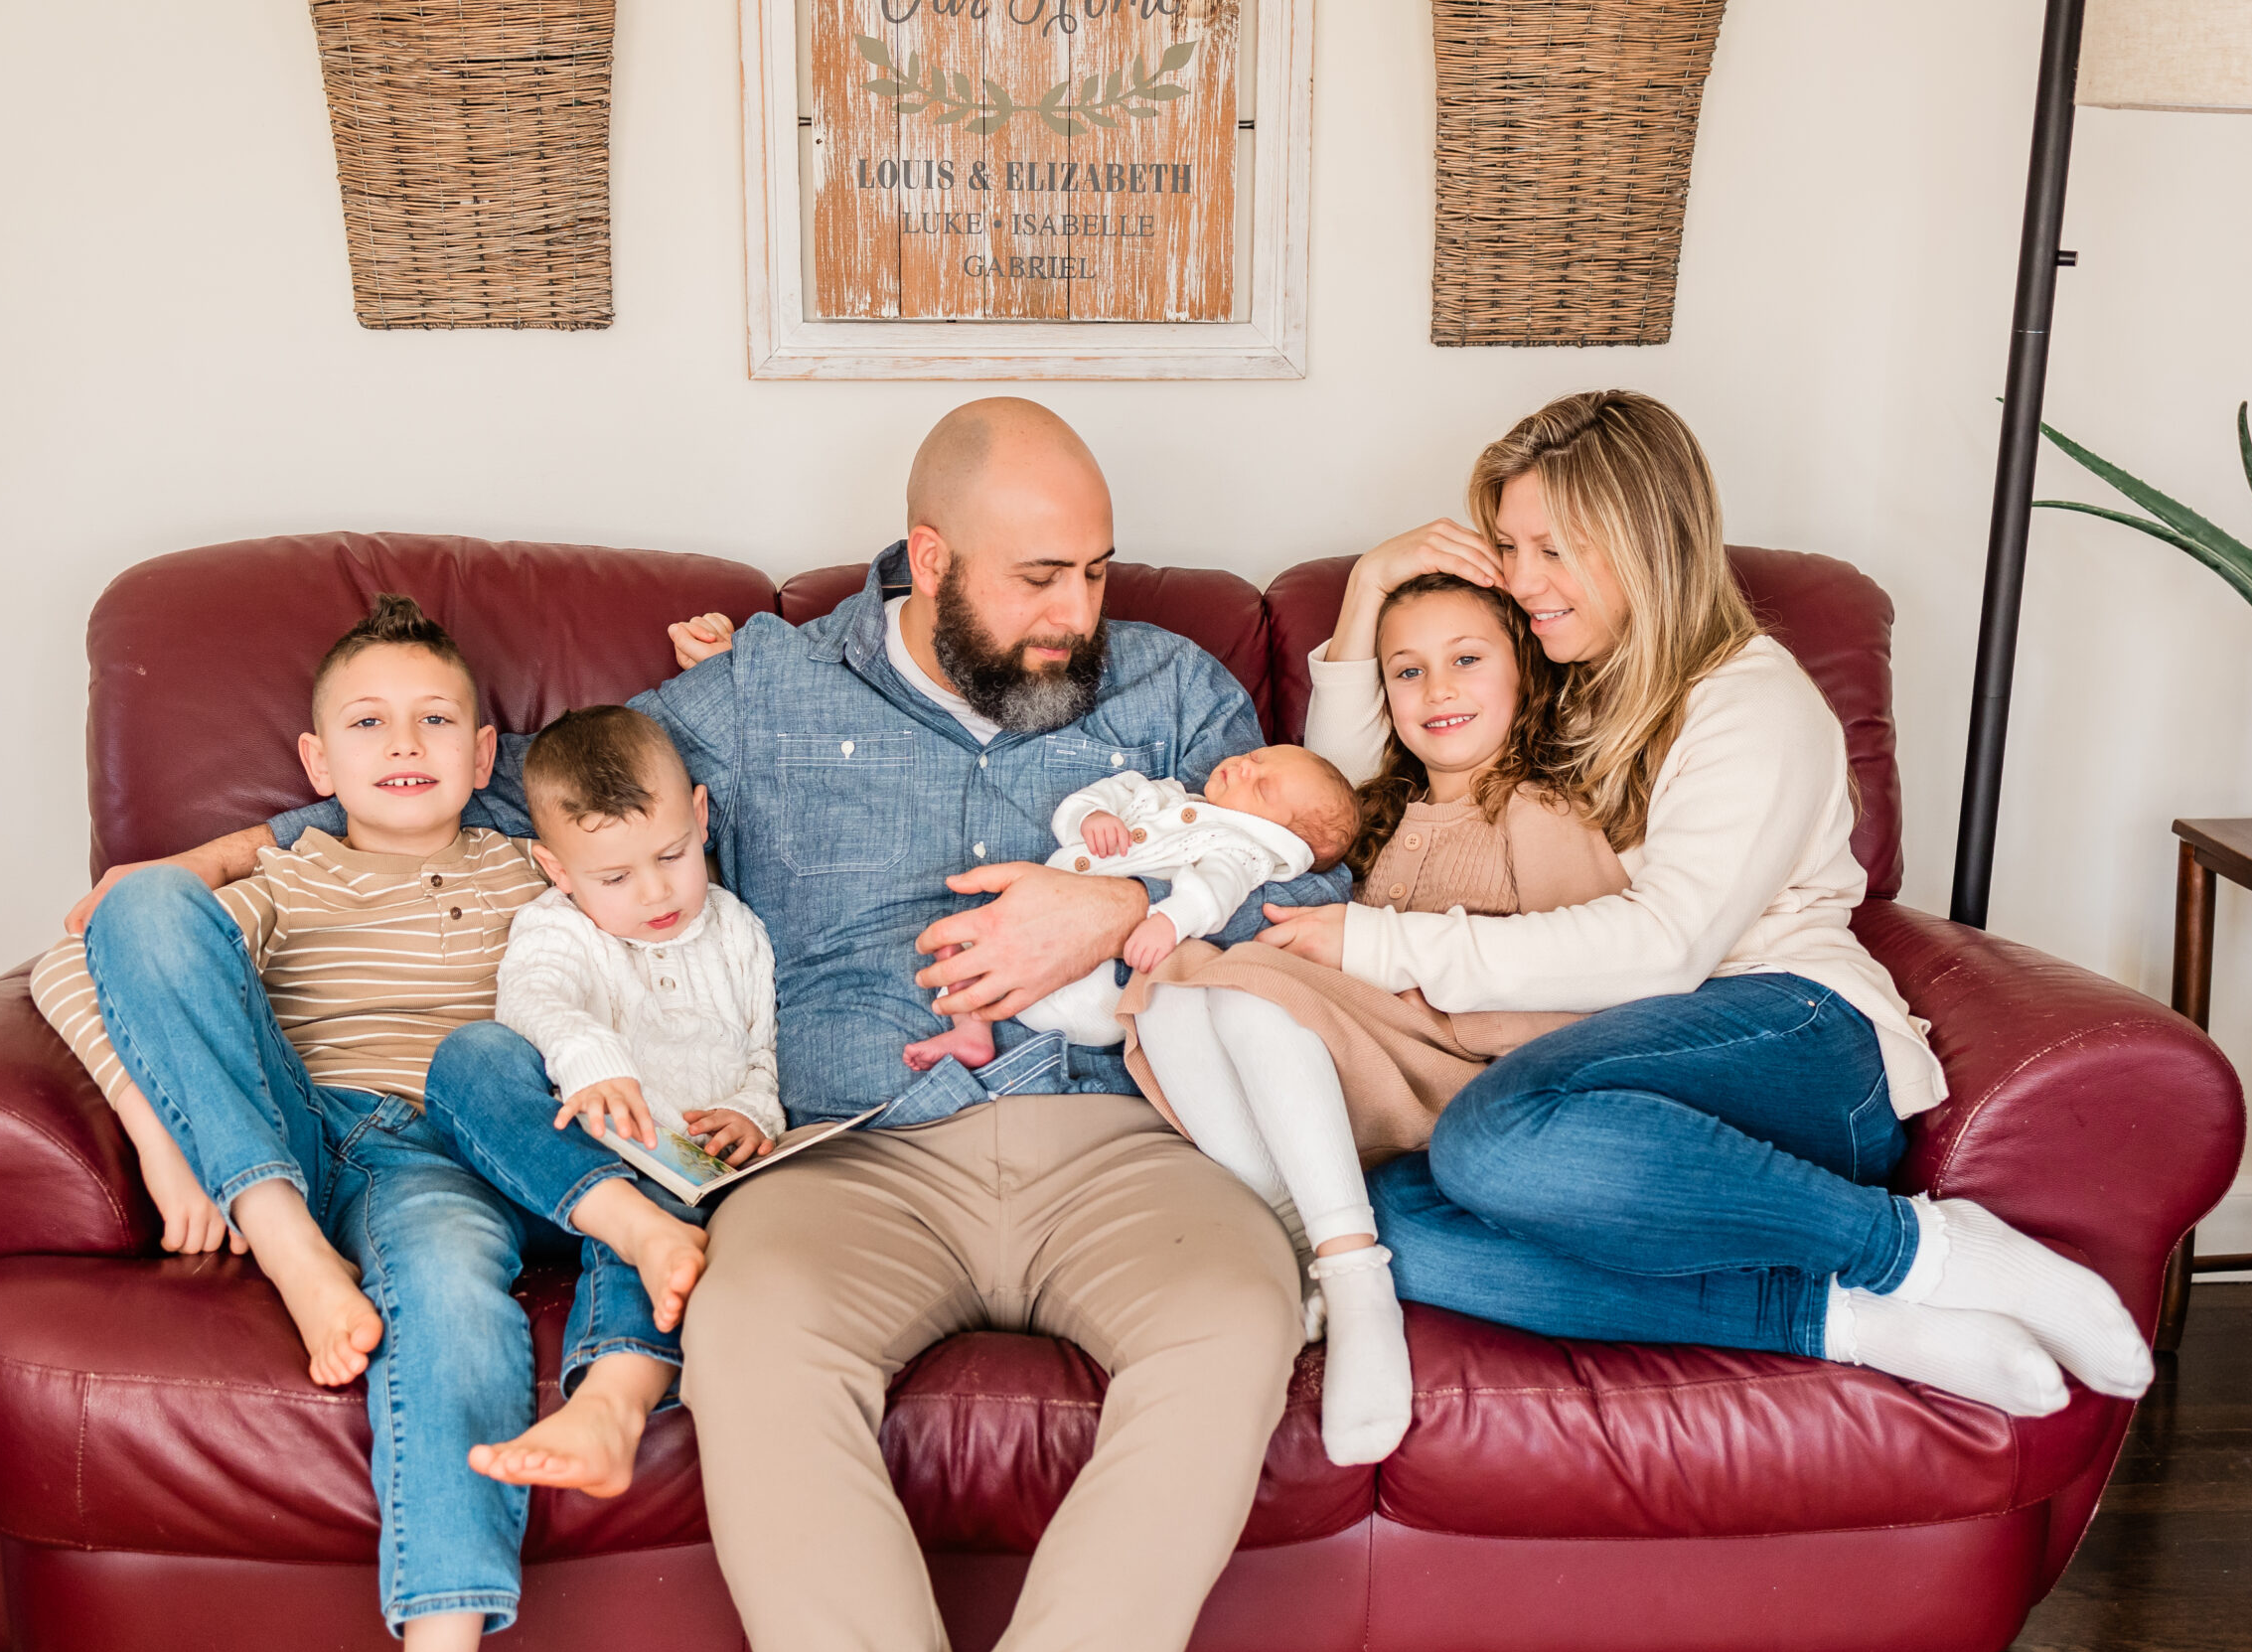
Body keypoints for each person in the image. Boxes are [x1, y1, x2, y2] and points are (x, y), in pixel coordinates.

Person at [71, 398, 1348, 1652]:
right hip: (852, 1155)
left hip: (1124, 1136)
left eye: (1095, 570)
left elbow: (1325, 898)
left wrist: (1123, 905)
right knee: (744, 1332)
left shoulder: (1175, 686)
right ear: (932, 554)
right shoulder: (765, 685)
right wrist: (217, 853)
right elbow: (504, 801)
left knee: (1239, 1317)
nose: (1078, 611)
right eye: (1039, 579)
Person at [1256, 389, 2157, 1418]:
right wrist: (1371, 588)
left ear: (1646, 541)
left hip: (1795, 1037)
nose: (1523, 582)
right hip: (1620, 1069)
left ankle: (1920, 1251)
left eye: (1553, 549)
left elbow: (1667, 947)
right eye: (1510, 547)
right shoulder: (1560, 682)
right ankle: (1848, 1320)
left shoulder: (1749, 696)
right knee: (1384, 1225)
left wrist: (1379, 944)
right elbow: (1336, 816)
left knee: (1492, 1141)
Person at [30, 596, 691, 1652]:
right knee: (142, 900)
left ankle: (473, 1616)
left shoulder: (539, 867)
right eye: (369, 725)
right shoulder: (290, 877)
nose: (403, 745)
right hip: (342, 1138)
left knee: (538, 1245)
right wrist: (161, 1137)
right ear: (316, 760)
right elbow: (78, 964)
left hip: (503, 1139)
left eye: (436, 722)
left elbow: (664, 915)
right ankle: (286, 1244)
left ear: (487, 754)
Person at [1123, 571, 1628, 1464]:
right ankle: (1292, 1222)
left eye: (1467, 660)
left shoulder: (1536, 806)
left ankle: (1358, 1285)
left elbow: (1591, 977)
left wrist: (1396, 977)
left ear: (1526, 677)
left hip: (1468, 1075)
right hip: (1355, 1065)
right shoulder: (1382, 818)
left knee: (1245, 989)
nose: (1436, 690)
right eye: (1407, 671)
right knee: (1173, 981)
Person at [439, 702, 782, 1349]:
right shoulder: (556, 925)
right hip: (563, 1172)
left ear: (701, 817)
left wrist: (753, 1113)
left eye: (672, 854)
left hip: (685, 1173)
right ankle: (637, 1226)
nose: (655, 892)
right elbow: (529, 997)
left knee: (665, 1221)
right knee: (472, 1055)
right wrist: (588, 1053)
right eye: (617, 876)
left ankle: (613, 1386)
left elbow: (761, 1047)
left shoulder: (737, 930)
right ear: (559, 871)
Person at [905, 743, 1360, 1069]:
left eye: (1261, 788)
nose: (1243, 767)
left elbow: (1214, 894)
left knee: (1115, 990)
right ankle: (972, 1033)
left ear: (1278, 837)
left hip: (1104, 979)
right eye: (1255, 757)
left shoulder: (1239, 850)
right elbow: (1113, 791)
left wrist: (1168, 919)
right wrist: (1091, 816)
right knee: (968, 943)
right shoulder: (1169, 796)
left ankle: (988, 1026)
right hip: (1029, 925)